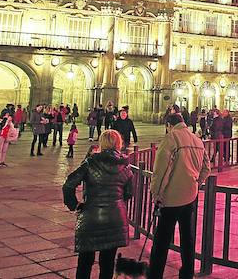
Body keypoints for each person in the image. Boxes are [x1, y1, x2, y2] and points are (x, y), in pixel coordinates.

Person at [62, 130, 133, 279]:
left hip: (91, 217)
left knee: (85, 262)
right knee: (107, 264)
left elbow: (69, 185)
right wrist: (116, 201)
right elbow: (129, 193)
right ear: (118, 144)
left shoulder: (91, 162)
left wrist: (75, 205)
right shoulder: (125, 166)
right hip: (115, 218)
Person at [148, 113, 210, 279]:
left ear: (169, 125)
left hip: (171, 198)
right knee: (187, 238)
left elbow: (162, 170)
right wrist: (196, 184)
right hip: (190, 197)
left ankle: (155, 274)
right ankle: (187, 273)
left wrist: (156, 194)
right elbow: (206, 168)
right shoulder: (197, 140)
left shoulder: (171, 139)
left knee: (161, 241)